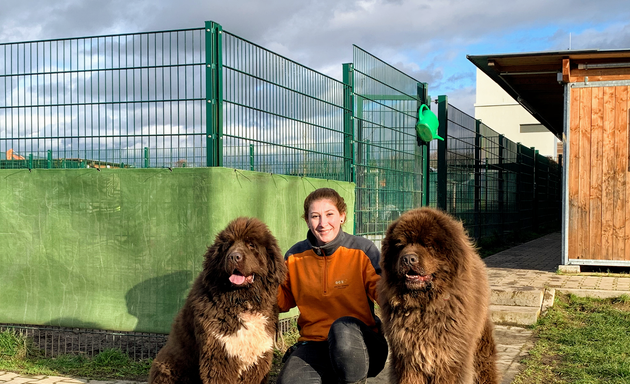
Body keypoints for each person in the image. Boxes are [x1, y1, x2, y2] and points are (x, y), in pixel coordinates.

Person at [276, 188, 388, 384]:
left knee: (342, 329)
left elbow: (385, 294)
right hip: (314, 344)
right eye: (315, 216)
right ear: (307, 220)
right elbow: (283, 301)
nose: (322, 223)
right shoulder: (294, 256)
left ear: (342, 216)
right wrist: (257, 284)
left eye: (329, 215)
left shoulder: (363, 250)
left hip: (363, 344)